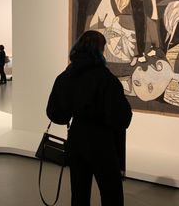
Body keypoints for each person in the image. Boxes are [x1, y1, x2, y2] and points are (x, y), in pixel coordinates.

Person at [46, 30, 132, 206]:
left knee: (79, 193)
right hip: (102, 143)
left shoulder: (65, 76)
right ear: (100, 50)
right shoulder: (106, 79)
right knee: (111, 194)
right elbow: (122, 118)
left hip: (77, 141)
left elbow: (55, 113)